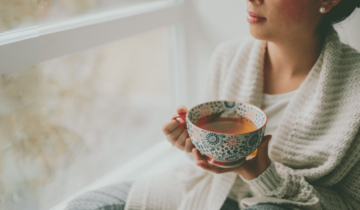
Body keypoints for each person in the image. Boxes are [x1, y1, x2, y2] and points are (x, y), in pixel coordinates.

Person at [66, 0, 360, 209]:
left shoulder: (354, 91)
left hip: (280, 203)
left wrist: (261, 172)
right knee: (86, 205)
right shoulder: (227, 58)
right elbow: (215, 162)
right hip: (208, 192)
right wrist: (195, 144)